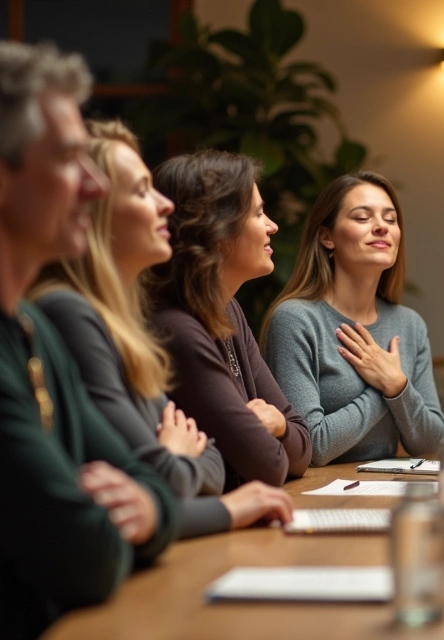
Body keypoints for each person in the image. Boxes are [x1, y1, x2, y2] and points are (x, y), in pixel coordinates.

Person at [32, 120, 294, 538]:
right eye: (141, 191)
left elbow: (207, 458)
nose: (165, 206)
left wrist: (176, 465)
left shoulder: (125, 324)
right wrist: (185, 470)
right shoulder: (77, 314)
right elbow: (150, 485)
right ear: (94, 212)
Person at [0, 42, 178, 639]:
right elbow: (86, 559)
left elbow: (158, 491)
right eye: (71, 159)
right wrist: (139, 516)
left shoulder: (33, 328)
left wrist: (149, 507)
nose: (95, 186)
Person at [145, 150, 311, 490]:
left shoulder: (228, 307)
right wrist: (278, 434)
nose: (272, 226)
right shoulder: (175, 328)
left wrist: (279, 425)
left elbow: (302, 447)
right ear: (218, 233)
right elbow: (269, 465)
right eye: (258, 213)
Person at [263, 171, 444, 465]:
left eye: (390, 219)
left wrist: (398, 387)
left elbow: (430, 443)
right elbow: (312, 446)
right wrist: (383, 388)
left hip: (386, 491)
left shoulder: (409, 324)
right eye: (363, 218)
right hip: (317, 498)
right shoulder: (296, 319)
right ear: (326, 236)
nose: (381, 228)